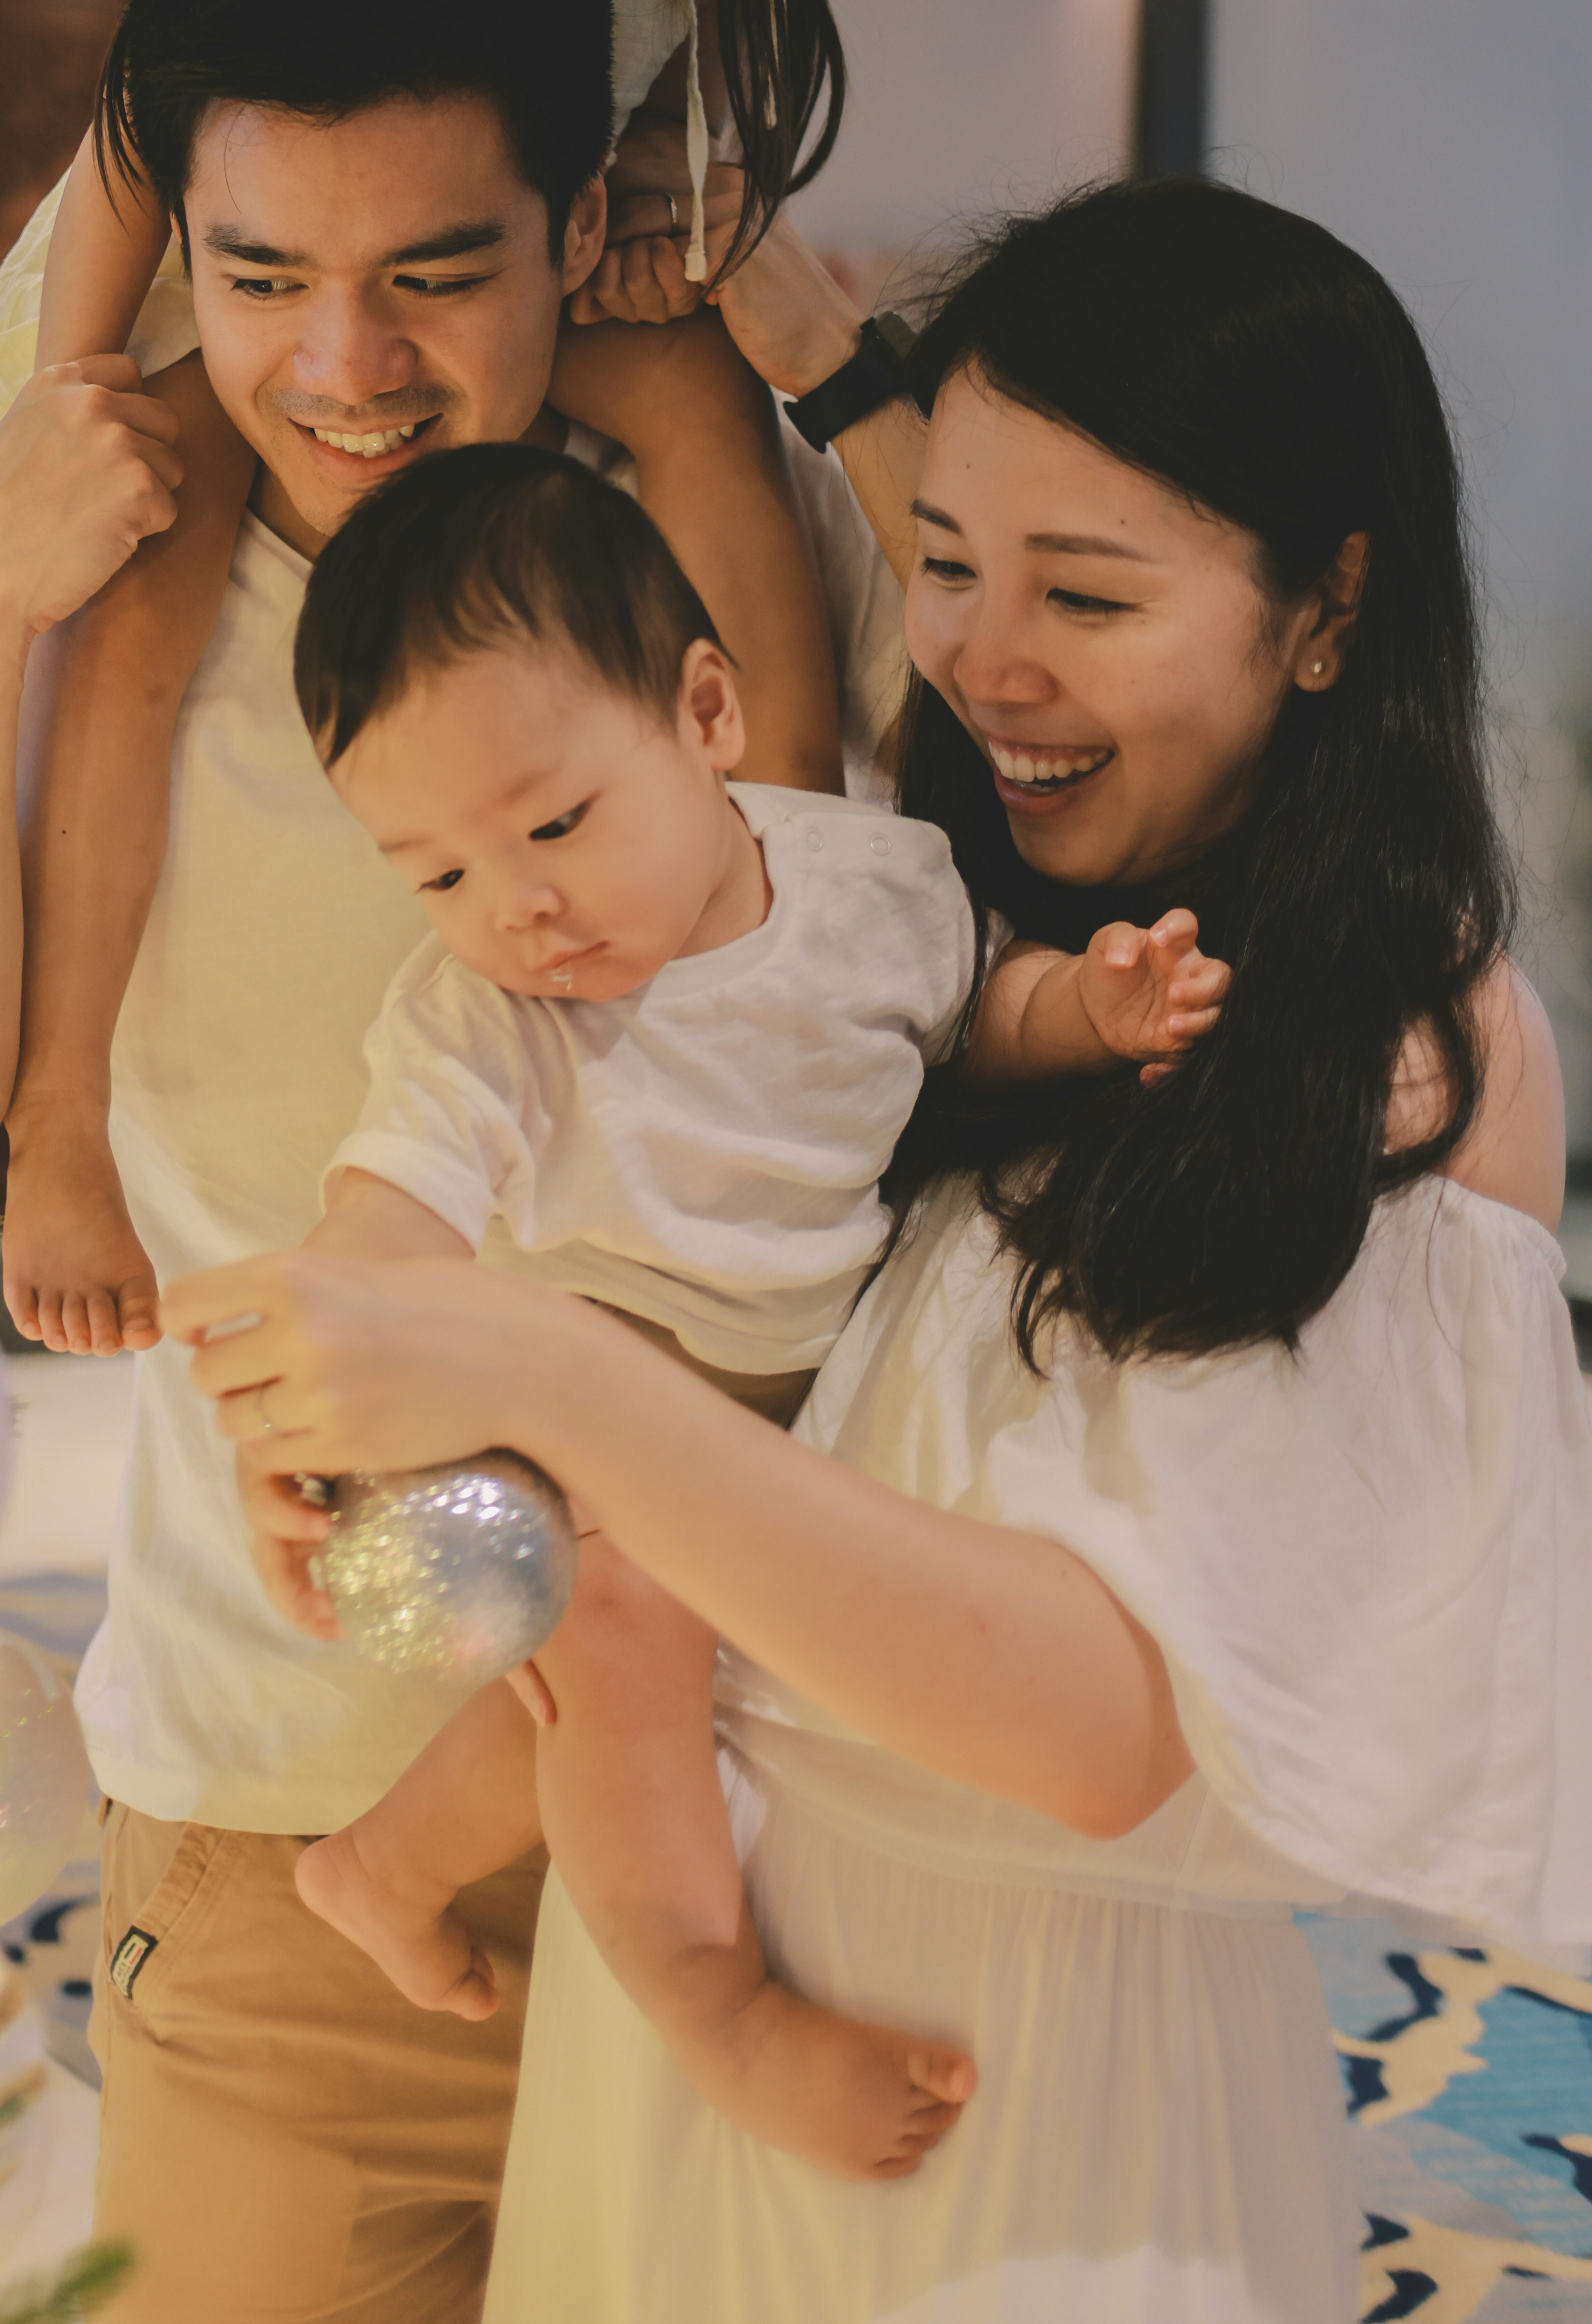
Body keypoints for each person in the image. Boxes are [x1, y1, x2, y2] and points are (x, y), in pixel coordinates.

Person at [171, 176, 1591, 2324]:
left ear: (1325, 607)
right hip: (694, 2053)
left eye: (1086, 594)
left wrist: (545, 1377)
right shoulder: (941, 919)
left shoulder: (1397, 1037)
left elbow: (1107, 1725)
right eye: (941, 559)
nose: (982, 658)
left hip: (1020, 2128)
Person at [0, 0, 896, 2324]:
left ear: (571, 226)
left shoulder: (729, 553)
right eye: (261, 280)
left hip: (779, 1847)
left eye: (434, 277)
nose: (342, 369)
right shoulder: (88, 590)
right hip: (282, 1842)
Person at [0, 0, 865, 1353]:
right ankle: (53, 1109)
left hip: (522, 290)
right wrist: (85, 382)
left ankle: (789, 910)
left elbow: (699, 160)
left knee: (705, 409)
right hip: (243, 303)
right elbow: (139, 138)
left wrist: (657, 238)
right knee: (143, 602)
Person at [281, 439, 979, 2181]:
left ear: (710, 717)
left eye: (553, 825)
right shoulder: (488, 1020)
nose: (509, 907)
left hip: (816, 1388)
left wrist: (1091, 1018)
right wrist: (320, 1384)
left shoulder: (876, 889)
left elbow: (976, 1023)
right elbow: (386, 1215)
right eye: (432, 874)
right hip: (586, 1419)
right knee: (629, 1636)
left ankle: (378, 1863)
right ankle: (713, 2005)